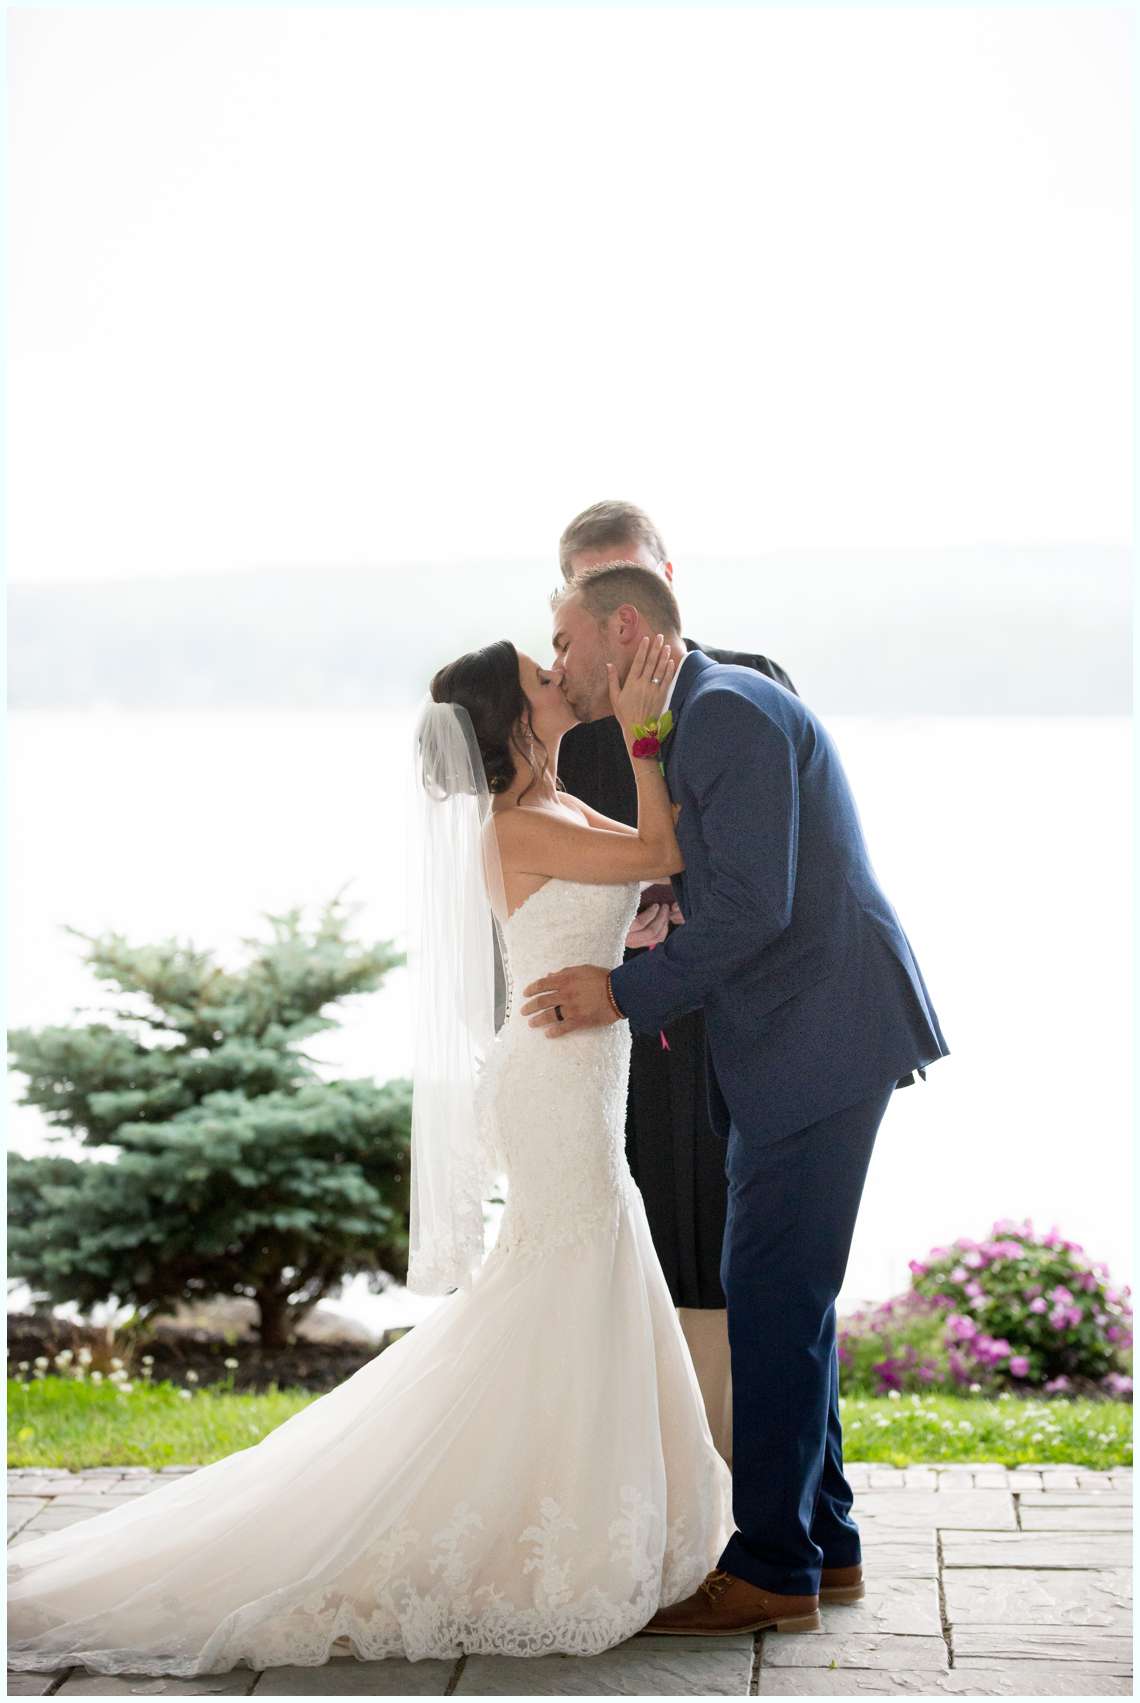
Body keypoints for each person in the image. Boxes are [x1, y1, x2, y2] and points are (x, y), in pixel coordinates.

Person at [7, 632, 769, 1681]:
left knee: (578, 1264)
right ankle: (528, 1520)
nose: (559, 681)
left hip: (582, 1067)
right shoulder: (511, 828)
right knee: (564, 1266)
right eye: (543, 680)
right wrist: (646, 734)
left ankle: (590, 1506)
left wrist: (647, 744)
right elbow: (658, 855)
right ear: (511, 718)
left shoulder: (547, 803)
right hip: (552, 1078)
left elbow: (648, 842)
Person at [524, 562, 949, 1637]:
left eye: (566, 638)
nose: (559, 660)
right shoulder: (696, 715)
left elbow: (754, 908)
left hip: (822, 1035)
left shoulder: (725, 714)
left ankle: (772, 1565)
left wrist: (618, 991)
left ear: (624, 627)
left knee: (769, 1292)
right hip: (808, 1035)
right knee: (786, 1294)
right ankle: (823, 1540)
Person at [555, 499, 797, 1462]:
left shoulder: (747, 686)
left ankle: (755, 1468)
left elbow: (772, 863)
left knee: (755, 1248)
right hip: (623, 1014)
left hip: (737, 1007)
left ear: (662, 585)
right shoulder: (569, 723)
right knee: (641, 1225)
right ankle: (651, 1462)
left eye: (633, 582)